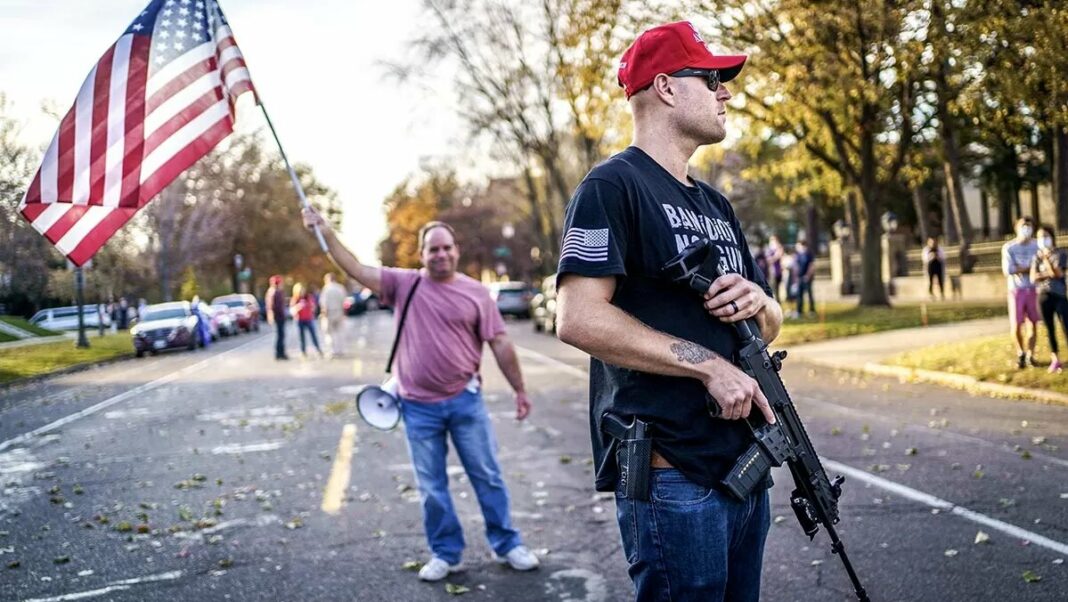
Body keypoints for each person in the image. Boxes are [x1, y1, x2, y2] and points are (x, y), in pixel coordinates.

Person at [553, 21, 782, 602]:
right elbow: (577, 317)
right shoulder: (611, 186)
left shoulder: (715, 203)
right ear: (666, 88)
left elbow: (765, 326)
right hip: (671, 473)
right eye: (711, 78)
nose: (726, 92)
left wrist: (764, 303)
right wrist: (707, 365)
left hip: (744, 459)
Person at [301, 209, 540, 582]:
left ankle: (507, 544)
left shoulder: (477, 293)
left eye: (446, 248)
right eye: (433, 249)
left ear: (456, 250)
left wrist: (520, 390)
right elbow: (356, 268)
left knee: (488, 476)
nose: (440, 255)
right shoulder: (403, 284)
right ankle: (446, 554)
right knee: (432, 488)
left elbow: (501, 343)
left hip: (465, 400)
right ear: (421, 254)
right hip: (417, 407)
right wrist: (326, 232)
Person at [1002, 216, 1040, 369]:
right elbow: (1009, 270)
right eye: (1023, 225)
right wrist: (1030, 268)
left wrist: (1021, 268)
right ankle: (1021, 353)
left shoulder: (1037, 246)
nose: (1026, 228)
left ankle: (1030, 355)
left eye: (1029, 226)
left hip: (1033, 289)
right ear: (1016, 227)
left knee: (1033, 323)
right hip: (1016, 290)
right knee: (1016, 324)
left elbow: (1039, 268)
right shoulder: (1009, 247)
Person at [1030, 225, 1068, 373]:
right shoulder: (1035, 257)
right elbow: (1033, 277)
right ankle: (1055, 359)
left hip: (1059, 295)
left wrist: (1046, 261)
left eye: (1046, 236)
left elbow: (1057, 273)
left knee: (1066, 325)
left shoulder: (1060, 254)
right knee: (1049, 329)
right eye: (1039, 237)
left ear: (1052, 237)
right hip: (1043, 296)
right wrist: (1046, 273)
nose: (1043, 240)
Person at [290, 283, 324, 359]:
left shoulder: (308, 297)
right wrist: (298, 307)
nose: (301, 292)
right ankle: (303, 352)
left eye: (302, 290)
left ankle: (318, 349)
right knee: (301, 337)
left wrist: (312, 308)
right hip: (299, 320)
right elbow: (292, 311)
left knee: (313, 335)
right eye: (300, 290)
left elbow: (314, 307)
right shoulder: (295, 299)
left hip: (309, 319)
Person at [320, 273, 348, 357]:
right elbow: (345, 301)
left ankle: (332, 350)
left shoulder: (326, 289)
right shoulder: (340, 288)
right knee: (340, 331)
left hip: (330, 313)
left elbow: (324, 303)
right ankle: (340, 349)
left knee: (329, 332)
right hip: (339, 312)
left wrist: (323, 314)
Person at [266, 275, 289, 360]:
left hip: (278, 316)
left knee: (280, 335)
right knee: (280, 335)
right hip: (279, 317)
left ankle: (280, 353)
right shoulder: (275, 292)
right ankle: (280, 353)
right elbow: (274, 306)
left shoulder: (273, 292)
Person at [793, 240, 816, 317]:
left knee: (809, 294)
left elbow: (811, 266)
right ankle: (799, 311)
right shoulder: (798, 255)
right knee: (799, 295)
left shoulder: (809, 254)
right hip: (799, 277)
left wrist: (807, 276)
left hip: (807, 278)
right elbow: (796, 267)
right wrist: (795, 278)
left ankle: (812, 311)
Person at [765, 234, 784, 301]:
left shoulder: (779, 248)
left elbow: (779, 255)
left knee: (777, 290)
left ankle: (778, 304)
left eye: (774, 240)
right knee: (772, 290)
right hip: (772, 272)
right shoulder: (769, 249)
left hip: (778, 272)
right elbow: (768, 260)